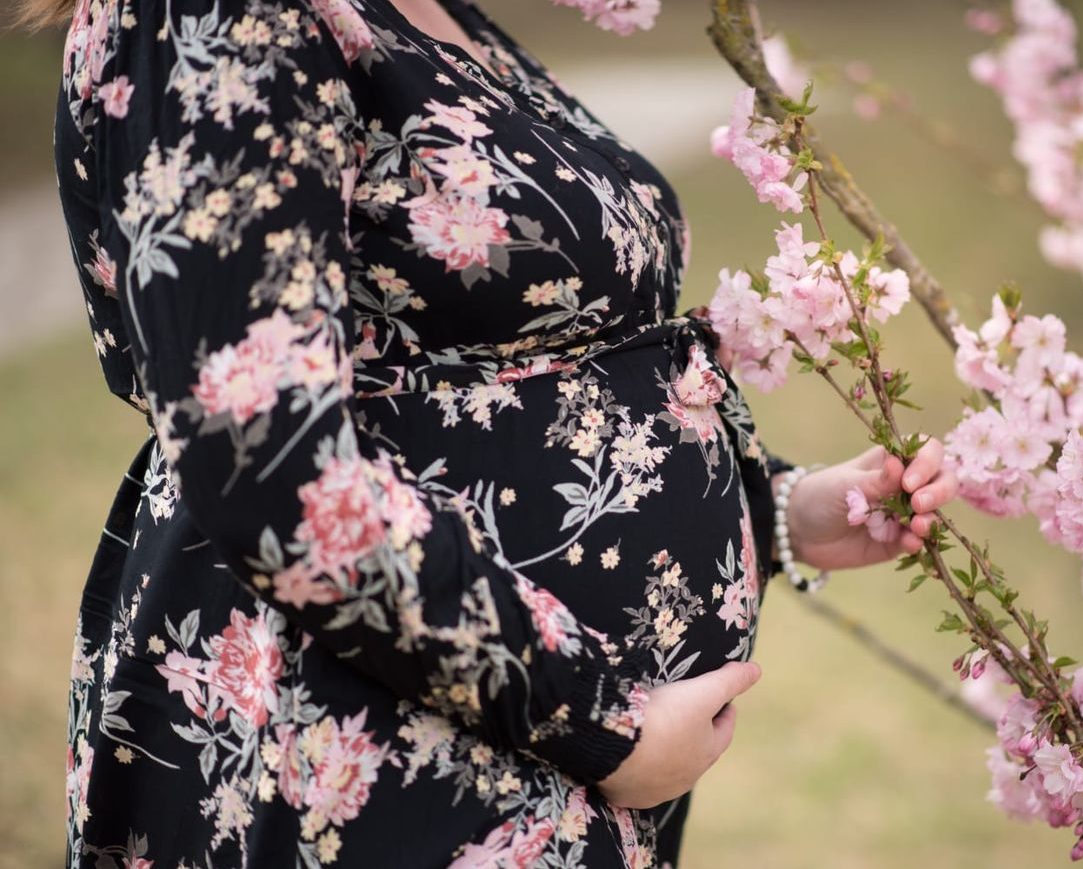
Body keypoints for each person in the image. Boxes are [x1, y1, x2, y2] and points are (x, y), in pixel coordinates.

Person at [38, 0, 958, 863]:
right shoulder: (220, 14)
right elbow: (262, 452)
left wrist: (778, 507)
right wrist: (598, 725)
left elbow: (513, 370)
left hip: (537, 756)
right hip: (379, 739)